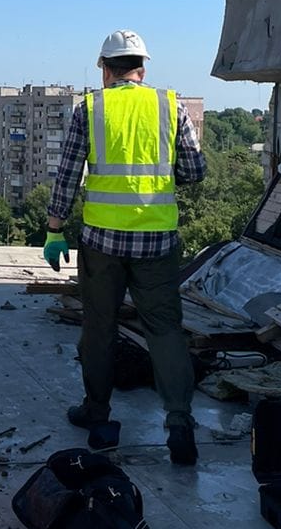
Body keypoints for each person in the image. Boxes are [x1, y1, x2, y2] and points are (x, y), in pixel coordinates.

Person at [44, 29, 206, 464]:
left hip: (101, 242)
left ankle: (97, 412)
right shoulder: (172, 106)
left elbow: (68, 174)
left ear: (104, 69)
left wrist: (55, 228)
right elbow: (194, 171)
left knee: (99, 328)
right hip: (158, 241)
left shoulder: (91, 108)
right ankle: (179, 424)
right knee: (166, 331)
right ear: (142, 68)